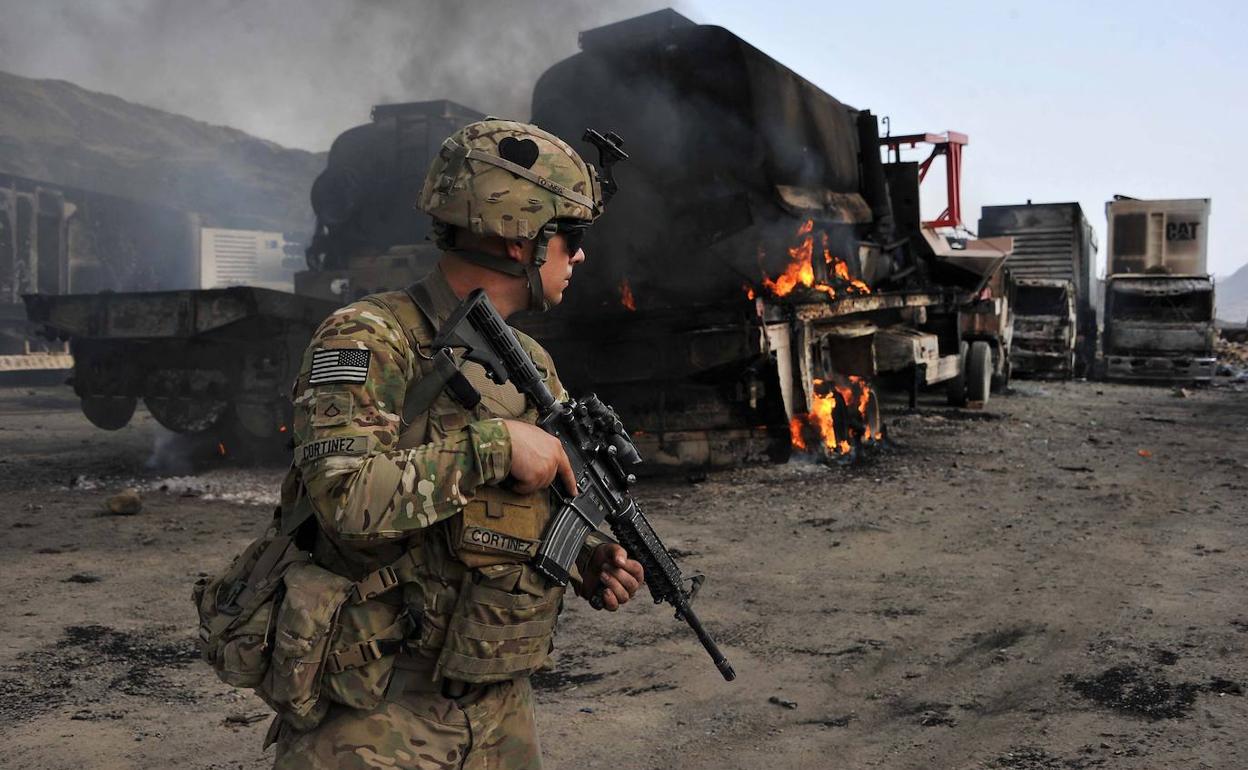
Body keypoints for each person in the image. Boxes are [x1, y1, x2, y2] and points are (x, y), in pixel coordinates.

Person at [271, 119, 645, 769]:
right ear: (518, 237)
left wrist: (585, 553)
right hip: (377, 713)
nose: (580, 256)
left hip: (499, 708)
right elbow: (345, 500)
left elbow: (524, 504)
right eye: (571, 237)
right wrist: (492, 445)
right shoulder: (367, 337)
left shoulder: (531, 361)